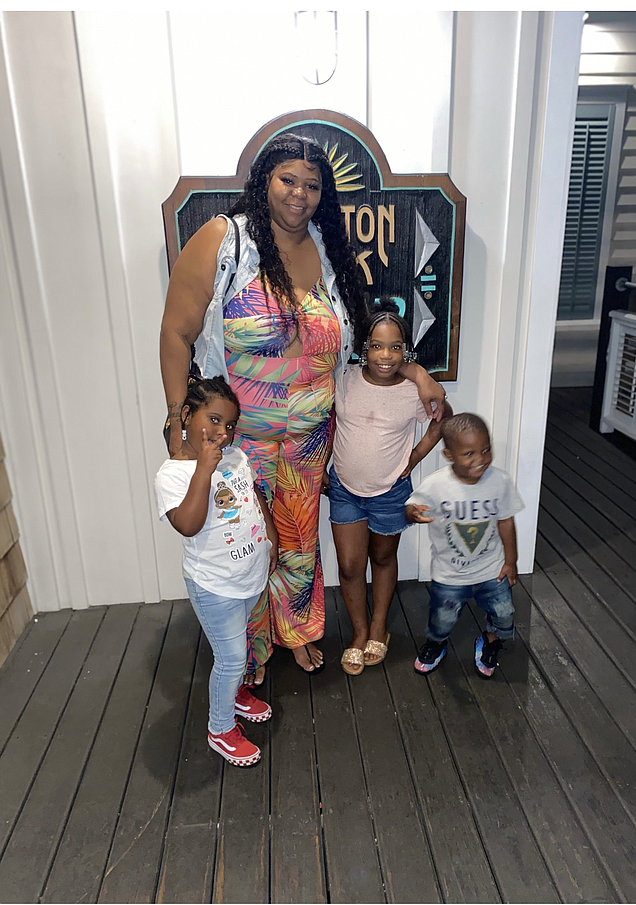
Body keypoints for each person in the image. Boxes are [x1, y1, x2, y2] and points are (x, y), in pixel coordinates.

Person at [160, 133, 446, 680]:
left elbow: (360, 345)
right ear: (264, 180)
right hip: (239, 441)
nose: (300, 194)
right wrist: (179, 422)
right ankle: (248, 649)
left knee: (295, 541)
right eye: (288, 180)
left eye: (312, 185)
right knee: (242, 541)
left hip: (311, 439)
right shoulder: (225, 241)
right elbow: (175, 333)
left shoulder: (325, 245)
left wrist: (412, 370)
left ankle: (294, 634)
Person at [154, 376, 278, 766]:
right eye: (214, 420)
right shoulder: (171, 475)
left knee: (237, 651)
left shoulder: (237, 457)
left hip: (247, 575)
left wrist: (270, 540)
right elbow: (188, 524)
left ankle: (235, 693)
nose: (222, 433)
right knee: (229, 657)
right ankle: (220, 728)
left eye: (229, 425)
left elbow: (254, 495)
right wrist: (203, 471)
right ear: (187, 416)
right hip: (214, 585)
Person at [325, 299, 451, 675]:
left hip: (390, 493)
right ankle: (359, 633)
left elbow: (443, 418)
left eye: (396, 347)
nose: (385, 355)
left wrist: (414, 458)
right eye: (377, 346)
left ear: (406, 351)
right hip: (344, 488)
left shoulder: (414, 392)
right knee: (349, 566)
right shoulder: (344, 378)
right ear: (364, 348)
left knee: (381, 559)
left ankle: (379, 626)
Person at [405, 413, 523, 678]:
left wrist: (511, 561)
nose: (479, 459)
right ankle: (436, 643)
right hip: (450, 574)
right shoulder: (436, 484)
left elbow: (506, 522)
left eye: (485, 450)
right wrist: (412, 513)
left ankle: (490, 641)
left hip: (492, 570)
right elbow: (412, 506)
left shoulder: (499, 482)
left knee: (504, 613)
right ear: (449, 455)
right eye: (469, 454)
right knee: (442, 617)